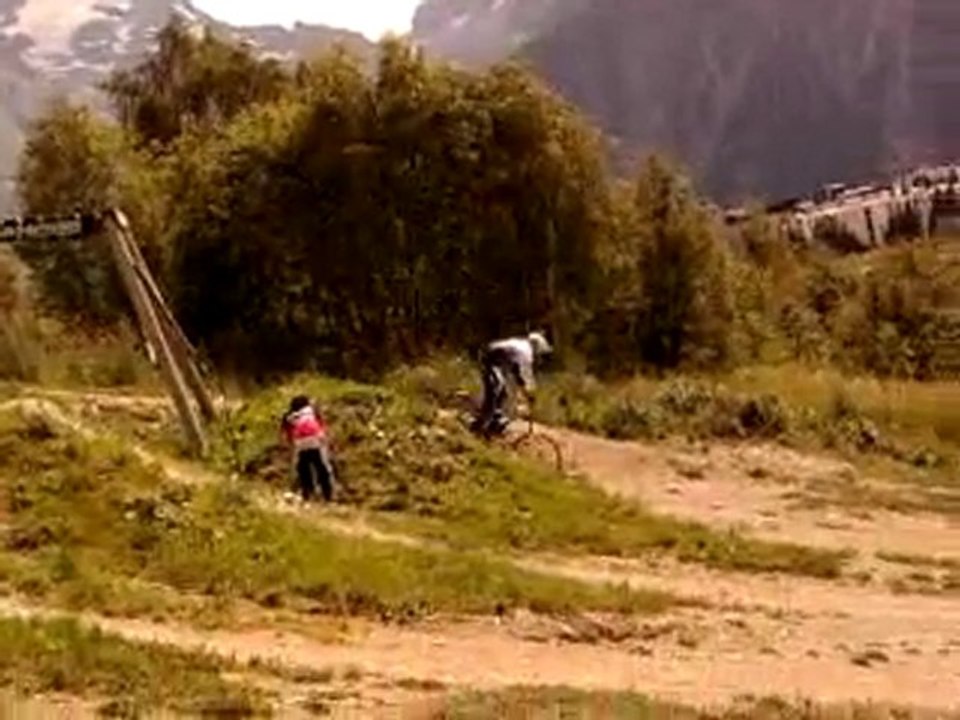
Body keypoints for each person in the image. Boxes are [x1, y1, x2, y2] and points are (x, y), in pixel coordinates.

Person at [473, 330, 553, 437]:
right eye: (540, 353)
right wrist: (527, 392)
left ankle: (494, 421)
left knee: (503, 392)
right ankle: (479, 426)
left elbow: (523, 373)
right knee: (496, 388)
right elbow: (521, 373)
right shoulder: (525, 352)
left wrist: (528, 389)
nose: (540, 357)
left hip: (496, 360)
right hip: (490, 359)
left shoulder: (524, 347)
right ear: (537, 348)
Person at [280, 395, 335, 502]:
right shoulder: (312, 411)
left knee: (303, 469)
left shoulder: (290, 416)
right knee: (322, 468)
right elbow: (321, 425)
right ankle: (327, 495)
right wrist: (325, 439)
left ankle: (307, 493)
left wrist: (292, 444)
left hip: (300, 443)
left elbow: (288, 433)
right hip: (316, 440)